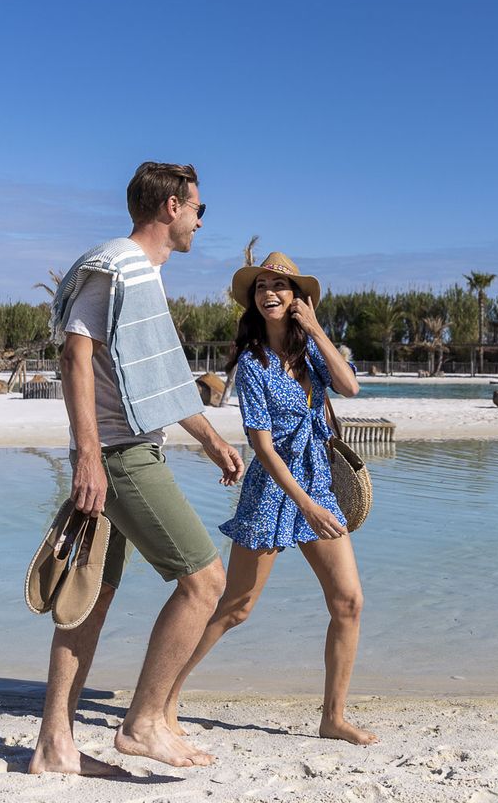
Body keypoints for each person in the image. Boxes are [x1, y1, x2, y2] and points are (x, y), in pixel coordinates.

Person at [28, 161, 243, 776]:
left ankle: (54, 744)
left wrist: (208, 438)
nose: (202, 221)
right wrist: (89, 457)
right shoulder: (115, 265)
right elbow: (75, 354)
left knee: (91, 596)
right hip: (118, 456)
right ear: (171, 207)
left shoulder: (142, 275)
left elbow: (158, 382)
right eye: (199, 208)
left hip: (127, 448)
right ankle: (144, 722)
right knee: (205, 582)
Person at [164, 251, 378, 746]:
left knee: (348, 602)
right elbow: (262, 447)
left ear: (298, 297)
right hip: (274, 492)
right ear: (254, 299)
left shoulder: (311, 355)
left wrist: (318, 329)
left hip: (320, 484)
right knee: (235, 607)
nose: (270, 293)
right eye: (261, 286)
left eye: (280, 285)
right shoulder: (254, 365)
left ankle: (333, 717)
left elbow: (351, 386)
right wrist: (305, 504)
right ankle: (165, 695)